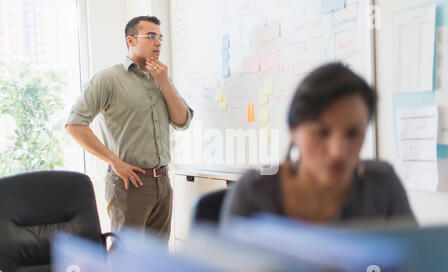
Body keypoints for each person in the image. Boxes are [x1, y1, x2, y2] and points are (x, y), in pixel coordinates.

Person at [221, 63, 417, 226]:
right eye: (322, 133)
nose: (338, 152)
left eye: (353, 133)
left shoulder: (381, 184)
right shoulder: (255, 191)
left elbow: (418, 265)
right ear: (293, 130)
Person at [66, 16, 193, 239]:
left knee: (157, 261)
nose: (158, 43)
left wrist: (163, 83)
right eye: (151, 36)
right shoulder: (108, 79)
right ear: (131, 40)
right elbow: (75, 125)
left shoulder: (161, 78)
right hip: (129, 183)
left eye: (160, 37)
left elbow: (182, 121)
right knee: (126, 260)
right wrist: (114, 162)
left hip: (163, 181)